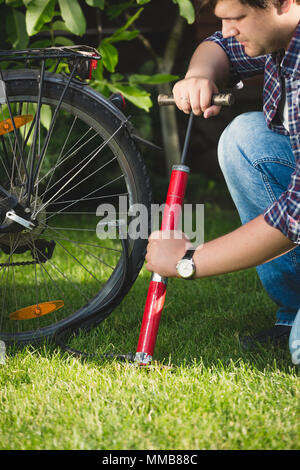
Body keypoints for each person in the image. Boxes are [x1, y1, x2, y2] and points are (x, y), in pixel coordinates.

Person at [145, 0, 300, 356]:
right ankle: (293, 312)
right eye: (223, 18)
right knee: (245, 137)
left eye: (238, 18)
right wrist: (200, 74)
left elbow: (295, 214)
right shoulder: (280, 36)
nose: (228, 28)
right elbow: (219, 45)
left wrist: (187, 261)